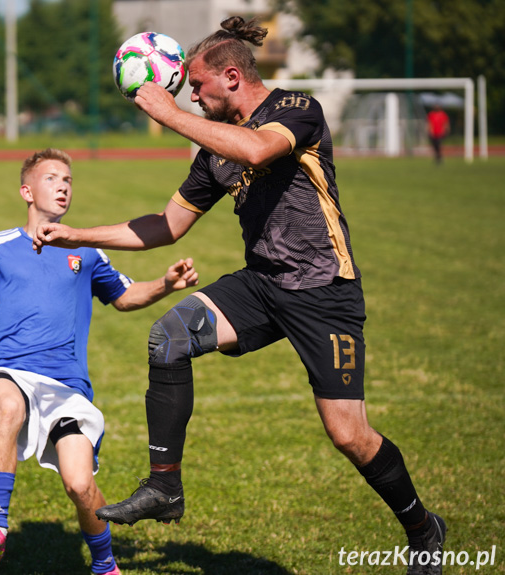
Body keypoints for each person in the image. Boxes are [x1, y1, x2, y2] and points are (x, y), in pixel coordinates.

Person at [33, 18, 446, 575]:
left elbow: (256, 150)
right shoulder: (212, 150)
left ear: (232, 76)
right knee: (169, 336)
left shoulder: (296, 109)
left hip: (324, 291)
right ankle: (165, 486)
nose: (192, 98)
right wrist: (75, 234)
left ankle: (422, 526)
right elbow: (165, 225)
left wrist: (169, 114)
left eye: (197, 87)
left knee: (349, 434)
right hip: (261, 284)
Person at [0, 148, 199, 574]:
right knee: (9, 405)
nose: (63, 186)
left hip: (68, 387)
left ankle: (104, 565)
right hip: (7, 369)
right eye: (52, 178)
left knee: (81, 485)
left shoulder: (85, 251)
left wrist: (165, 283)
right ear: (26, 191)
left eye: (68, 180)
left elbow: (123, 296)